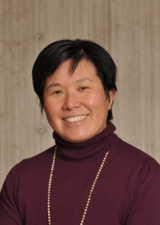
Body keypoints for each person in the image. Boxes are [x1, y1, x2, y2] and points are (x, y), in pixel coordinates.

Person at [0, 39, 160, 225]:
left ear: (109, 96)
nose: (70, 104)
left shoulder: (145, 176)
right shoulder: (20, 178)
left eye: (83, 88)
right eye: (57, 92)